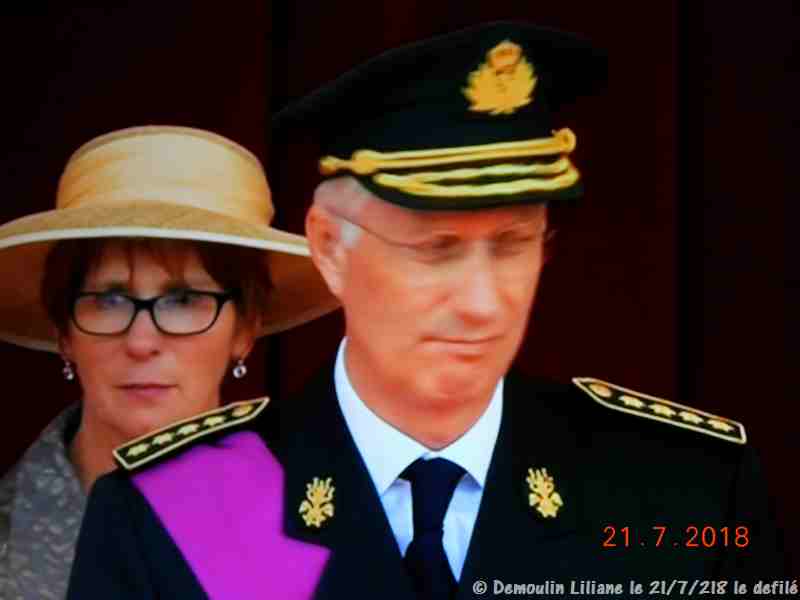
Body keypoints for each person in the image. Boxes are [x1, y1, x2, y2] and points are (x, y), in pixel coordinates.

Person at [69, 23, 787, 600]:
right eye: (435, 250)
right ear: (329, 248)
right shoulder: (167, 511)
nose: (481, 305)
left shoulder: (684, 490)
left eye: (511, 245)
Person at [0, 125, 336, 599]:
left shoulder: (330, 514)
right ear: (64, 332)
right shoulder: (9, 537)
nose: (142, 341)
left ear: (244, 330)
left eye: (183, 299)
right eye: (109, 299)